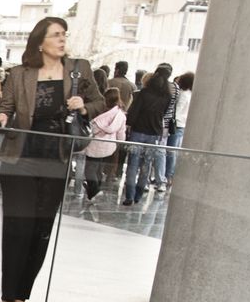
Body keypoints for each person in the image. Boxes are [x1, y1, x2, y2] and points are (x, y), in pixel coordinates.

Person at [0, 16, 103, 302]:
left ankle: (22, 293)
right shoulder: (19, 74)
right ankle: (7, 295)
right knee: (17, 226)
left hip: (56, 159)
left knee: (41, 227)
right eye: (55, 35)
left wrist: (84, 107)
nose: (62, 39)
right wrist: (1, 116)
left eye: (64, 34)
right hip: (20, 157)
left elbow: (100, 103)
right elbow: (6, 106)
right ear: (40, 42)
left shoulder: (79, 68)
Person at [120, 66, 170, 205]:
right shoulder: (167, 96)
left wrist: (129, 125)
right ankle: (138, 194)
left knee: (133, 164)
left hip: (138, 132)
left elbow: (134, 111)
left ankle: (129, 196)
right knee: (146, 165)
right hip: (154, 133)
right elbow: (164, 114)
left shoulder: (144, 92)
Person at [81, 86, 126, 207]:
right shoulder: (120, 115)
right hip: (108, 146)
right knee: (98, 169)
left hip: (95, 146)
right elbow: (121, 132)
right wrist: (121, 143)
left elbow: (92, 130)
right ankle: (92, 194)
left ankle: (95, 191)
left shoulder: (101, 115)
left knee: (89, 169)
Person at [164, 71, 192, 186]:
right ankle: (169, 175)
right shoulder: (190, 94)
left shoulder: (182, 94)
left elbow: (177, 110)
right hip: (182, 125)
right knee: (173, 151)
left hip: (176, 125)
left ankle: (168, 176)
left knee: (170, 151)